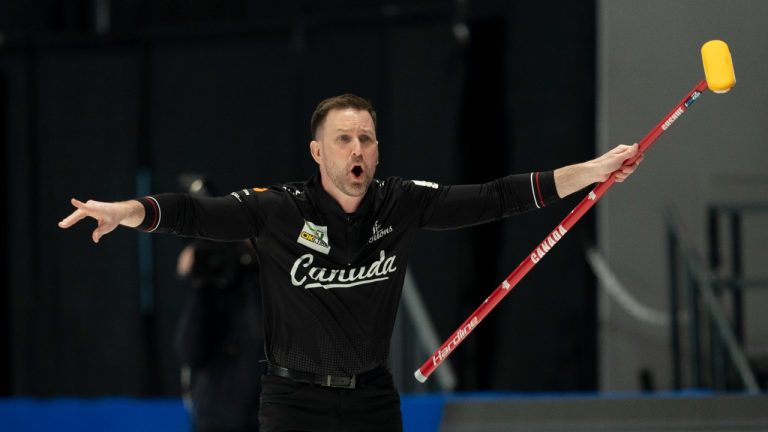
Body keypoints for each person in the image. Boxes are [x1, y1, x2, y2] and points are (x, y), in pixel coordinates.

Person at [58, 94, 642, 432]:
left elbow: (497, 196)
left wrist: (591, 172)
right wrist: (127, 210)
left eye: (366, 138)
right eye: (343, 139)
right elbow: (193, 212)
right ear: (318, 152)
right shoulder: (278, 210)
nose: (357, 149)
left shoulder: (403, 201)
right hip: (293, 401)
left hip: (371, 398)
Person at [176, 232, 263, 432]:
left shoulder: (273, 279)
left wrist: (252, 263)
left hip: (265, 413)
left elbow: (260, 336)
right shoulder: (209, 289)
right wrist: (200, 283)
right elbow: (189, 352)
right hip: (216, 415)